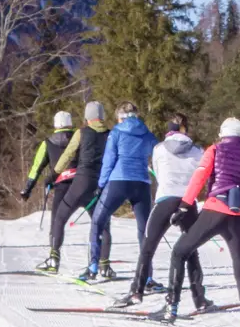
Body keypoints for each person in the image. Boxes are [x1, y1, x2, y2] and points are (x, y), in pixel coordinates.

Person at [150, 117, 240, 327]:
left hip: (215, 211)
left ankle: (171, 307)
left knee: (180, 252)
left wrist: (184, 206)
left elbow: (199, 178)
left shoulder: (215, 150)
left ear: (222, 133)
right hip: (238, 217)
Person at [113, 114, 210, 309]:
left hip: (166, 200)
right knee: (190, 250)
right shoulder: (198, 150)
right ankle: (199, 299)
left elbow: (158, 172)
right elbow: (200, 176)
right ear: (185, 129)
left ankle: (136, 292)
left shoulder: (159, 149)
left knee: (148, 247)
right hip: (188, 203)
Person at [81, 102, 158, 281]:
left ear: (120, 117)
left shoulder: (116, 132)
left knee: (97, 221)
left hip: (119, 181)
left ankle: (93, 266)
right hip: (141, 183)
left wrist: (101, 186)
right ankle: (147, 277)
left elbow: (109, 160)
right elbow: (157, 153)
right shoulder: (146, 133)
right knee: (143, 230)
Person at [43, 101, 112, 274]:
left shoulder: (81, 133)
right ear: (102, 116)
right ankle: (104, 265)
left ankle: (54, 258)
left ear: (87, 116)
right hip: (99, 186)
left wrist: (53, 175)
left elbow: (68, 155)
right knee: (103, 225)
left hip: (80, 183)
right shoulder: (111, 135)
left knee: (60, 218)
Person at [22, 112, 77, 240]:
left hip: (61, 185)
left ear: (56, 125)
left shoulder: (48, 143)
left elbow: (36, 167)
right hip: (79, 183)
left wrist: (27, 189)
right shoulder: (79, 138)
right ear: (70, 123)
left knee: (56, 218)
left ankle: (54, 244)